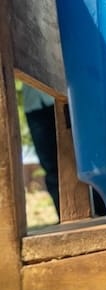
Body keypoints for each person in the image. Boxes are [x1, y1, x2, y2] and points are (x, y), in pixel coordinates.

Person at [21, 84, 59, 215]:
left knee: (76, 160)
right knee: (49, 165)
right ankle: (63, 214)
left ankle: (99, 211)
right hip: (33, 107)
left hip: (59, 99)